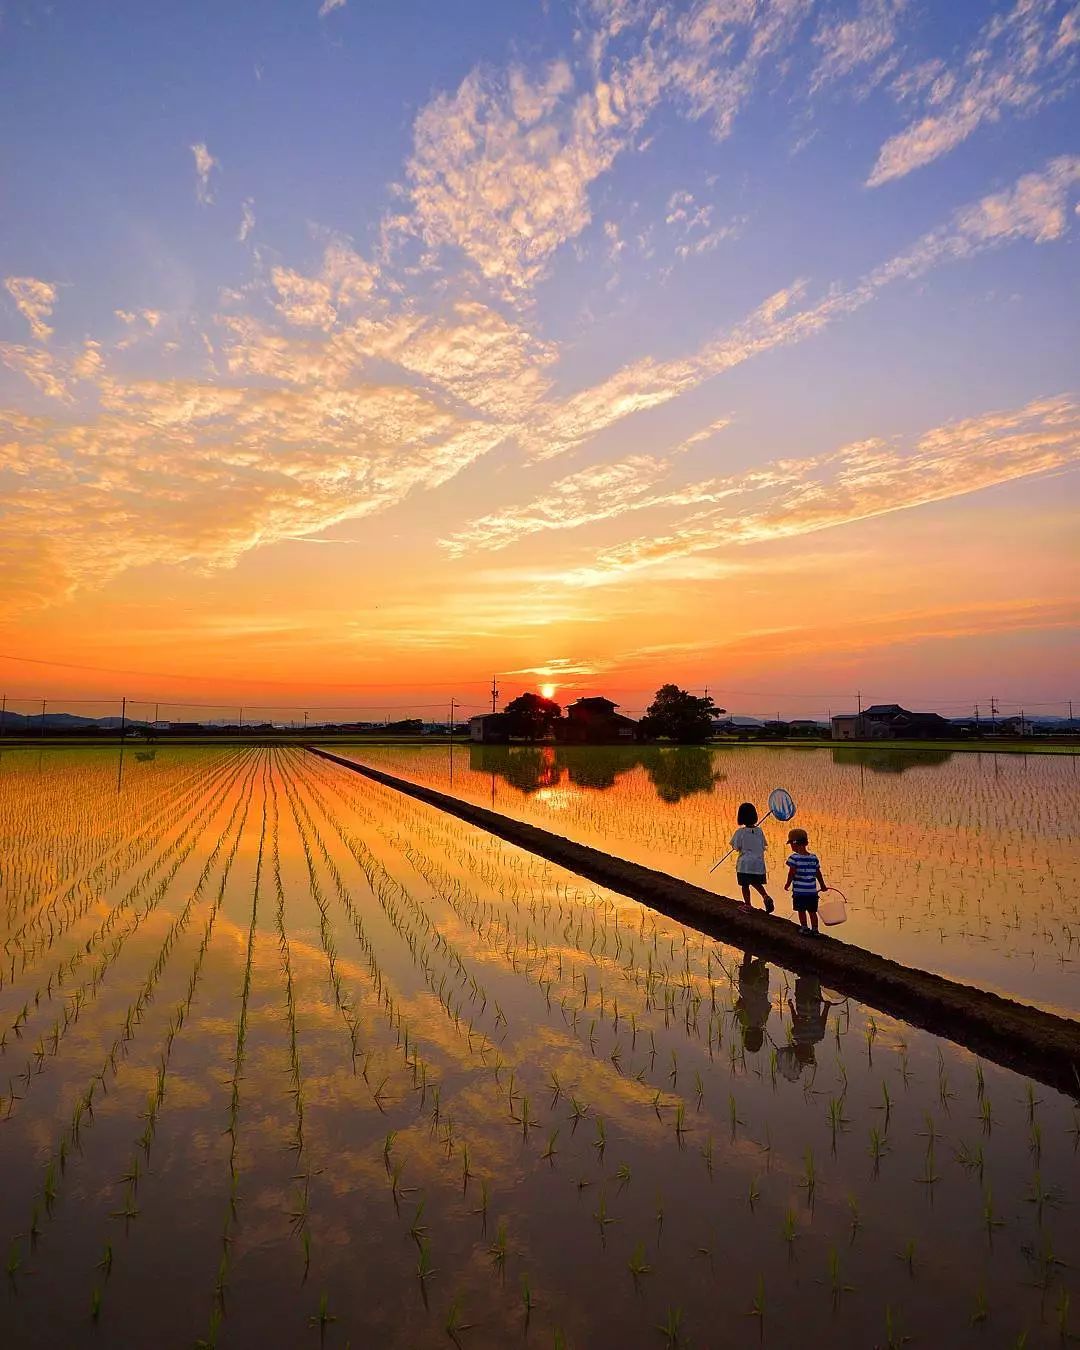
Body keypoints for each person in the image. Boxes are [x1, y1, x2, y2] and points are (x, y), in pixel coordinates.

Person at [730, 802, 774, 912]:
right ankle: (765, 896)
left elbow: (736, 847)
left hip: (744, 865)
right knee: (755, 882)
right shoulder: (759, 831)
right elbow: (763, 845)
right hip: (758, 864)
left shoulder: (740, 832)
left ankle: (748, 905)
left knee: (745, 885)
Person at [788, 974, 837, 1069]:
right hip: (801, 1001)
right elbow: (795, 1020)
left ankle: (813, 973)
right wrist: (791, 1006)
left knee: (814, 981)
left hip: (814, 1001)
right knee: (803, 978)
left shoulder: (818, 1036)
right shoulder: (796, 1035)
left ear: (811, 1050)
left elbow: (823, 1020)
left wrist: (827, 1006)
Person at [784, 827, 827, 933]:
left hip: (800, 892)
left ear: (794, 843)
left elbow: (791, 873)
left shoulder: (794, 858)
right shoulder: (814, 858)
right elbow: (818, 873)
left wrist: (788, 884)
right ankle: (815, 929)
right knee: (812, 911)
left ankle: (804, 928)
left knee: (801, 910)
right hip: (812, 892)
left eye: (791, 844)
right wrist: (822, 885)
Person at [735, 951, 771, 1053]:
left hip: (762, 986)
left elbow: (769, 1007)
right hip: (747, 986)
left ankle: (761, 960)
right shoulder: (744, 1021)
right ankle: (748, 950)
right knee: (746, 964)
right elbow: (740, 1005)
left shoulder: (763, 1021)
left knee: (759, 969)